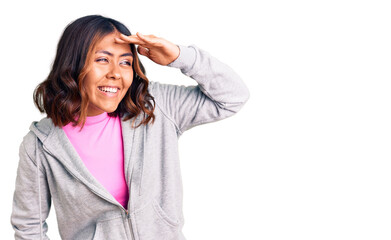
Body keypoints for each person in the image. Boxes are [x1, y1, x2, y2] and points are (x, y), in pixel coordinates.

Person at [10, 14, 250, 240]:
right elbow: (29, 228)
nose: (116, 73)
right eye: (102, 59)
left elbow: (233, 96)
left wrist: (179, 56)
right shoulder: (41, 145)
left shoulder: (155, 106)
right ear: (73, 66)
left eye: (126, 62)